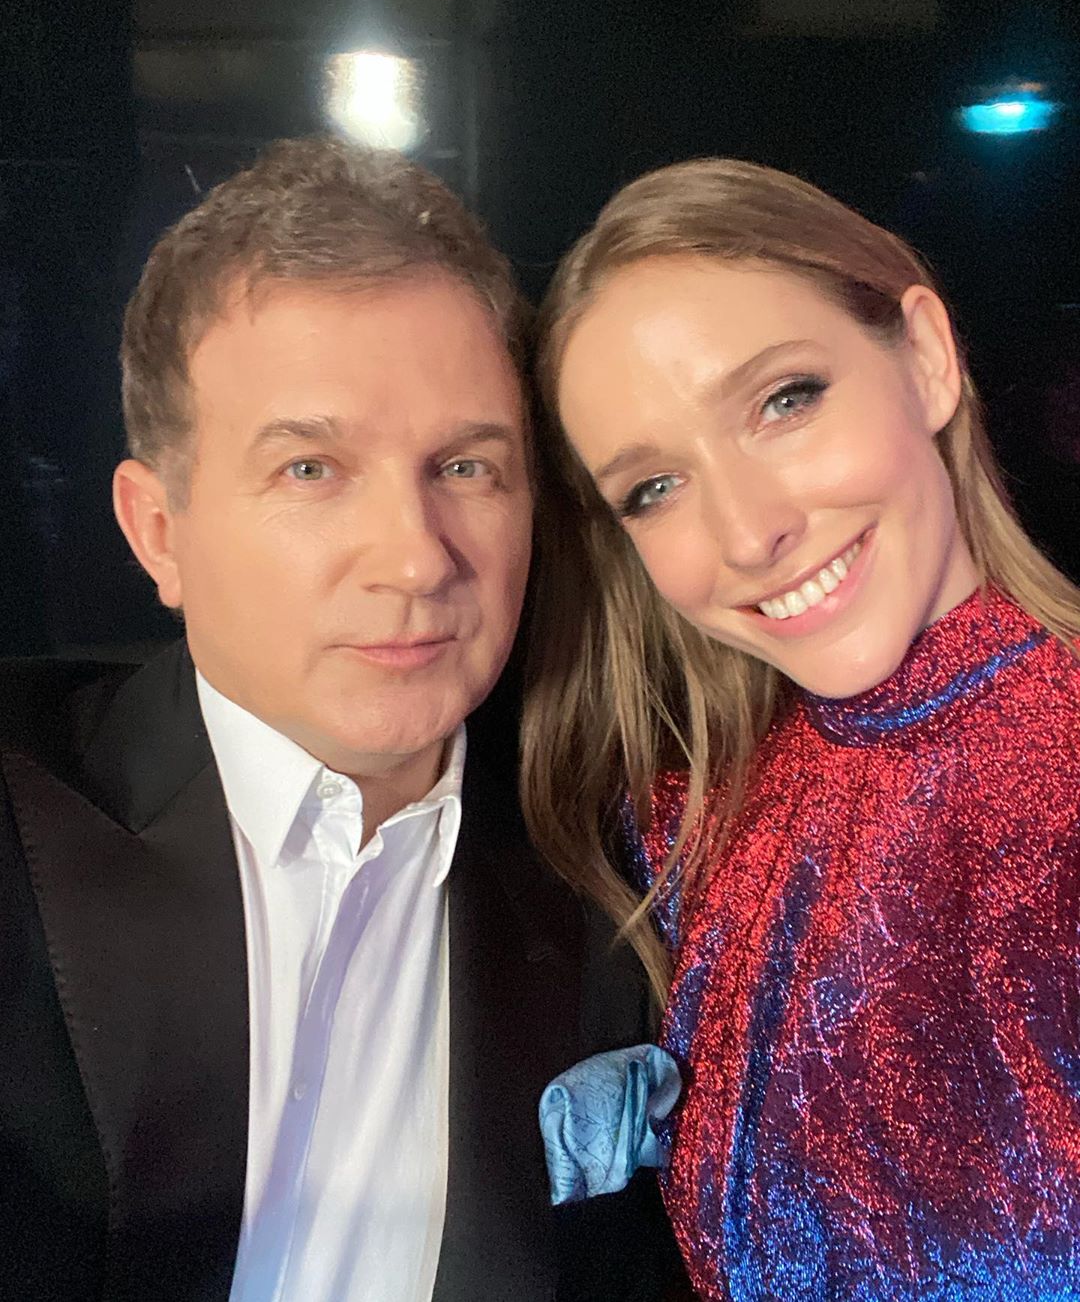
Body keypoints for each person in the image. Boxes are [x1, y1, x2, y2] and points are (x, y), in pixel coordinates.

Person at [0, 137, 683, 1302]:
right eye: (311, 469)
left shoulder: (622, 872)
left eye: (466, 467)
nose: (416, 558)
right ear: (158, 531)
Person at [523, 157, 1080, 1300]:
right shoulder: (696, 812)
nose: (747, 533)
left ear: (925, 359)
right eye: (654, 487)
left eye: (784, 400)